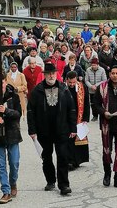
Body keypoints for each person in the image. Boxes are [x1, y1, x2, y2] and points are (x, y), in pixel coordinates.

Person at [27, 63, 77, 196]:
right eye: (48, 73)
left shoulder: (63, 89)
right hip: (44, 130)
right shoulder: (37, 91)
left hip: (61, 129)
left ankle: (64, 185)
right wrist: (32, 130)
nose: (51, 76)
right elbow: (30, 111)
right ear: (44, 75)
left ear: (56, 74)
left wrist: (73, 128)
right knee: (47, 157)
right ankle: (50, 180)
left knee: (63, 157)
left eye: (53, 73)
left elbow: (71, 109)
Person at [0, 78, 22, 204]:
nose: (0, 85)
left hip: (12, 134)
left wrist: (6, 111)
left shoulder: (13, 97)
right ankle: (5, 191)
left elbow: (18, 114)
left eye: (2, 83)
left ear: (5, 82)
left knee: (14, 163)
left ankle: (13, 183)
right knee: (1, 166)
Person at [65, 71, 90, 170]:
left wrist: (85, 118)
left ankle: (77, 160)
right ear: (66, 80)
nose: (71, 84)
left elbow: (86, 103)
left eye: (73, 82)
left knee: (78, 140)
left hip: (79, 116)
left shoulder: (82, 87)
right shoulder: (63, 88)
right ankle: (69, 161)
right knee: (69, 140)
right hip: (66, 118)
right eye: (70, 82)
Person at [85, 57, 107, 122]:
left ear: (97, 65)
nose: (93, 66)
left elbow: (104, 80)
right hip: (91, 90)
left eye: (95, 65)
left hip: (100, 89)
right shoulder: (88, 70)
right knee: (93, 103)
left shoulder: (102, 70)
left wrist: (96, 85)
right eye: (92, 65)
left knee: (101, 103)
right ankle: (95, 115)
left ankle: (101, 114)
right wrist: (91, 86)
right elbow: (86, 80)